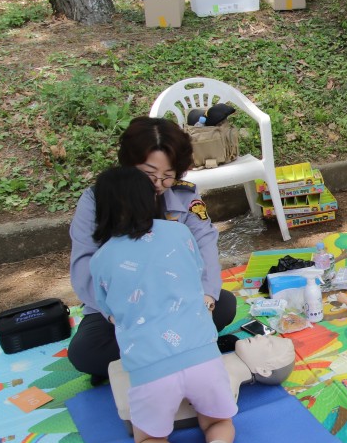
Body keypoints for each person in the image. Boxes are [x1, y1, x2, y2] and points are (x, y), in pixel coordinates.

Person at [89, 167, 255, 443]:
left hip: (150, 370)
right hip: (201, 355)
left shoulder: (100, 260)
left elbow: (106, 309)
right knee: (216, 421)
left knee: (147, 440)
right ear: (153, 200)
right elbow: (196, 274)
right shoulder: (179, 232)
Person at [68, 117, 237, 381]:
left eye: (168, 176)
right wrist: (114, 314)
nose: (158, 184)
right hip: (123, 310)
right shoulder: (98, 199)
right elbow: (84, 266)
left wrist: (207, 298)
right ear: (129, 164)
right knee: (85, 353)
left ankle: (147, 357)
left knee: (225, 305)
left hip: (176, 302)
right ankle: (182, 350)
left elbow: (206, 245)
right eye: (148, 174)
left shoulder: (185, 197)